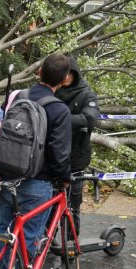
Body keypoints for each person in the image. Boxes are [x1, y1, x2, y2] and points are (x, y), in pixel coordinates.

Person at [0, 53, 72, 269]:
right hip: (37, 183)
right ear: (65, 79)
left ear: (39, 71)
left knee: (3, 235)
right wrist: (65, 178)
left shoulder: (17, 97)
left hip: (8, 176)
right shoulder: (60, 110)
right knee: (27, 241)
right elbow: (59, 154)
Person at [54, 56, 100, 237]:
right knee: (51, 203)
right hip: (53, 156)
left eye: (69, 73)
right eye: (62, 73)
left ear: (75, 73)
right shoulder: (53, 92)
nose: (65, 77)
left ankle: (72, 241)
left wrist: (59, 119)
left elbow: (90, 119)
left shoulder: (87, 95)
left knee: (73, 204)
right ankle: (48, 241)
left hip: (76, 158)